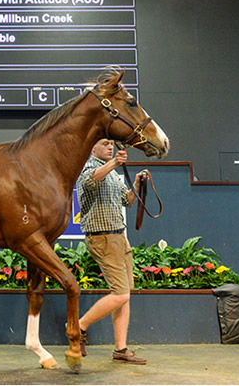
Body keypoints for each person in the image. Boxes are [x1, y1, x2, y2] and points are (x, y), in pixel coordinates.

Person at [75, 138, 148, 364]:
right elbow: (91, 180)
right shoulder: (88, 167)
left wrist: (136, 184)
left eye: (111, 144)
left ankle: (120, 349)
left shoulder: (115, 174)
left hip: (119, 237)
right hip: (102, 237)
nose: (110, 147)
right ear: (92, 148)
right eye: (105, 143)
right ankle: (78, 327)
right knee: (121, 294)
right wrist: (115, 163)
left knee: (124, 298)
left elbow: (126, 202)